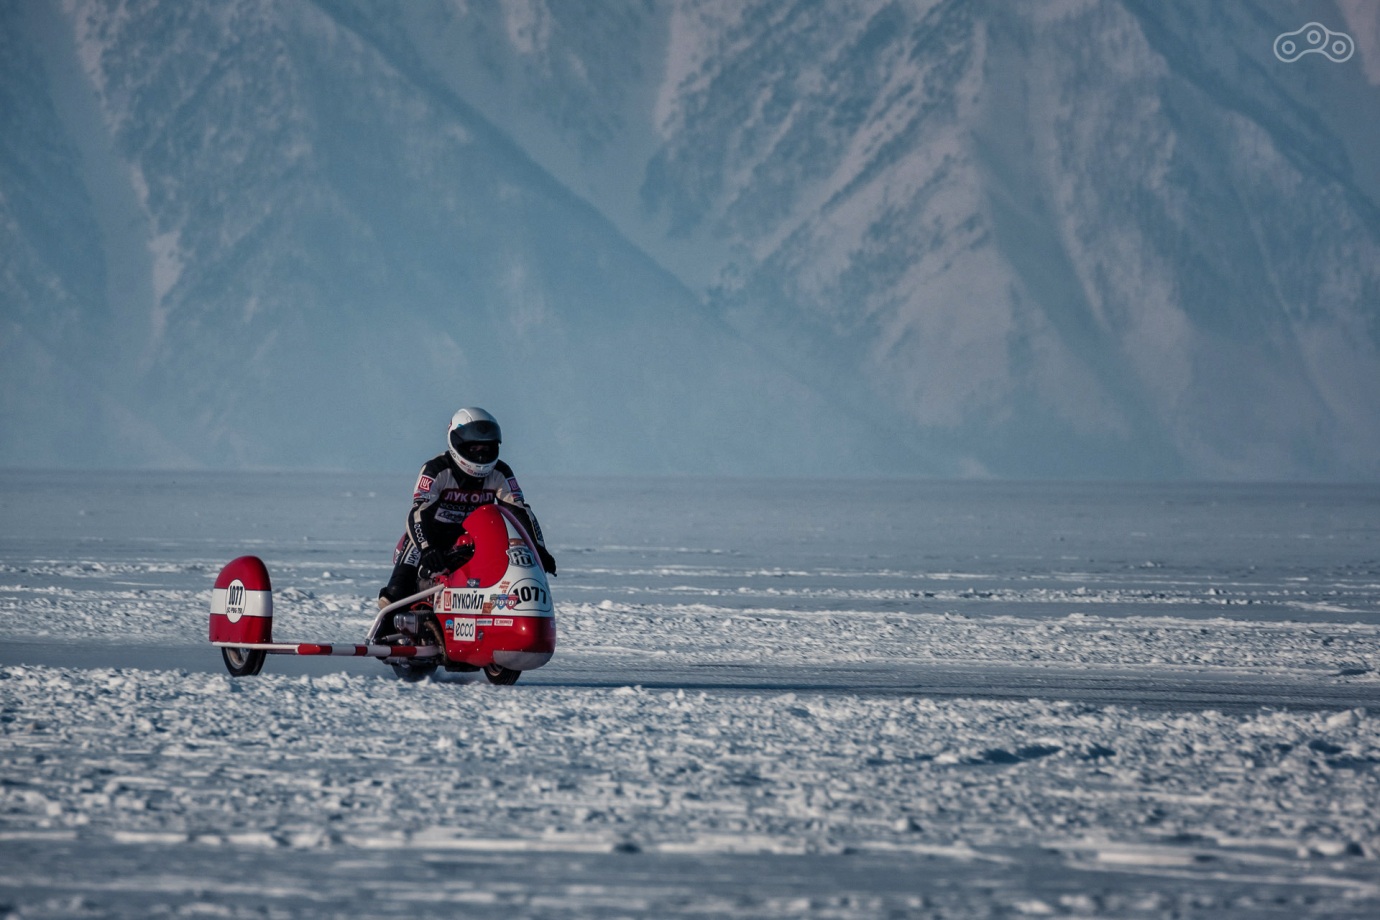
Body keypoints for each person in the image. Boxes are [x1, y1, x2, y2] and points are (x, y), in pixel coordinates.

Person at [378, 407, 556, 609]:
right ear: (457, 445)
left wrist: (539, 549)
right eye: (474, 449)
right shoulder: (436, 470)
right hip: (431, 535)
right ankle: (387, 621)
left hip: (473, 538)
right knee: (394, 593)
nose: (481, 456)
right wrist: (427, 549)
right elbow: (418, 512)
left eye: (487, 449)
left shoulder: (500, 473)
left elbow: (520, 511)